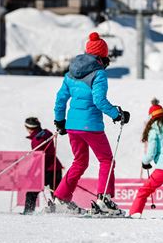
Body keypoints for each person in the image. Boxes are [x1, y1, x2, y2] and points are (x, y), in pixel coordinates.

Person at [53, 32, 130, 215]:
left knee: (80, 162)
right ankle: (104, 200)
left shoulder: (71, 73)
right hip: (91, 126)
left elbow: (60, 99)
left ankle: (61, 197)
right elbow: (98, 100)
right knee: (106, 160)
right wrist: (116, 114)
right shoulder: (99, 74)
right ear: (102, 56)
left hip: (72, 126)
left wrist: (60, 121)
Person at [22, 117, 63, 215]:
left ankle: (28, 212)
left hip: (47, 169)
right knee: (57, 193)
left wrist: (31, 172)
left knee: (32, 192)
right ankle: (63, 210)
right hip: (56, 167)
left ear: (29, 128)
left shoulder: (37, 140)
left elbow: (38, 159)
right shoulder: (46, 133)